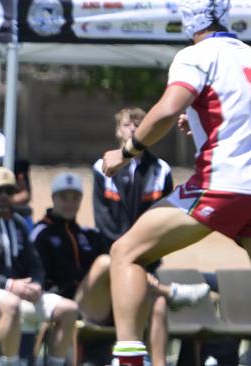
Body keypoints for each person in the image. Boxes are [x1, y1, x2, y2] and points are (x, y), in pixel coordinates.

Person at [101, 1, 251, 364]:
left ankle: (129, 361)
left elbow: (168, 109)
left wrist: (126, 152)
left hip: (222, 185)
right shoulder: (246, 53)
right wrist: (199, 128)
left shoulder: (196, 55)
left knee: (126, 253)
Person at [32, 173, 210, 366]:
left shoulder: (89, 235)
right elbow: (37, 275)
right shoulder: (41, 234)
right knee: (107, 262)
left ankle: (160, 362)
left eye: (75, 197)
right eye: (64, 197)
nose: (69, 203)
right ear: (53, 198)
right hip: (73, 304)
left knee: (156, 301)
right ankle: (170, 292)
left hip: (105, 302)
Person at [0, 167, 78, 366]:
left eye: (9, 191)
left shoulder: (17, 223)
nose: (4, 196)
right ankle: (10, 363)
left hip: (9, 292)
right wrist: (9, 285)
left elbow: (34, 264)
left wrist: (36, 284)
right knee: (11, 304)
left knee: (68, 309)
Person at [93, 107, 174, 273]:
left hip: (148, 255)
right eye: (127, 124)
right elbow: (102, 216)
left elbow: (166, 216)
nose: (132, 128)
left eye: (138, 125)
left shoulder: (161, 170)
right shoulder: (102, 167)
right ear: (118, 130)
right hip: (113, 253)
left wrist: (143, 248)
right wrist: (123, 248)